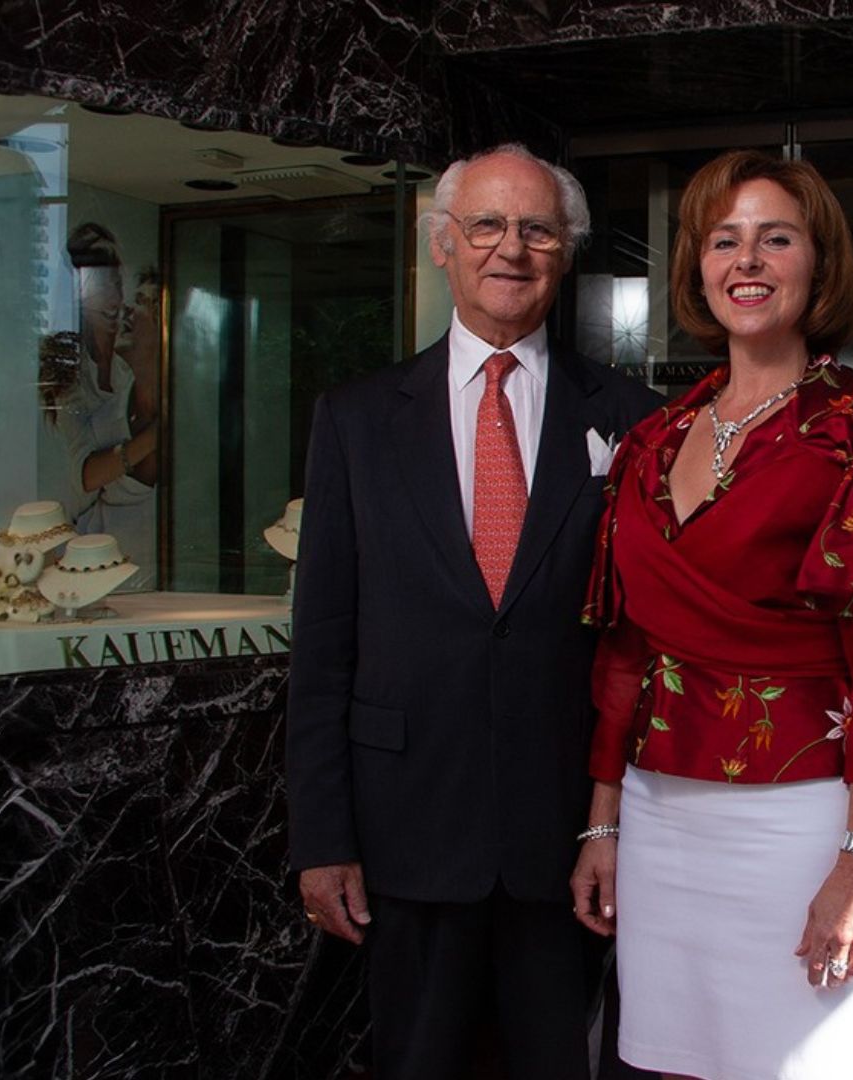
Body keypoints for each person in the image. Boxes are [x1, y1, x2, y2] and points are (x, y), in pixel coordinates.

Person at [569, 149, 853, 1079]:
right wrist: (603, 823)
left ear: (817, 264)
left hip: (805, 821)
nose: (747, 260)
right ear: (698, 269)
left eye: (775, 238)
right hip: (660, 817)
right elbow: (624, 654)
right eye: (724, 240)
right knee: (666, 1063)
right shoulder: (652, 439)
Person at [285, 143, 661, 1080]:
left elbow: (643, 638)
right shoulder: (355, 419)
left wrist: (614, 821)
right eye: (486, 224)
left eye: (538, 229)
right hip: (404, 834)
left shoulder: (637, 419)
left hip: (566, 839)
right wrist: (322, 839)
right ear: (441, 245)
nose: (511, 248)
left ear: (566, 250)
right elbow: (323, 646)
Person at [43, 223, 161, 587]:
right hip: (75, 550)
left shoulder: (125, 372)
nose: (114, 300)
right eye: (101, 286)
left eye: (116, 285)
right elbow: (88, 476)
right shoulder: (66, 372)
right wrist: (155, 437)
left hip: (126, 542)